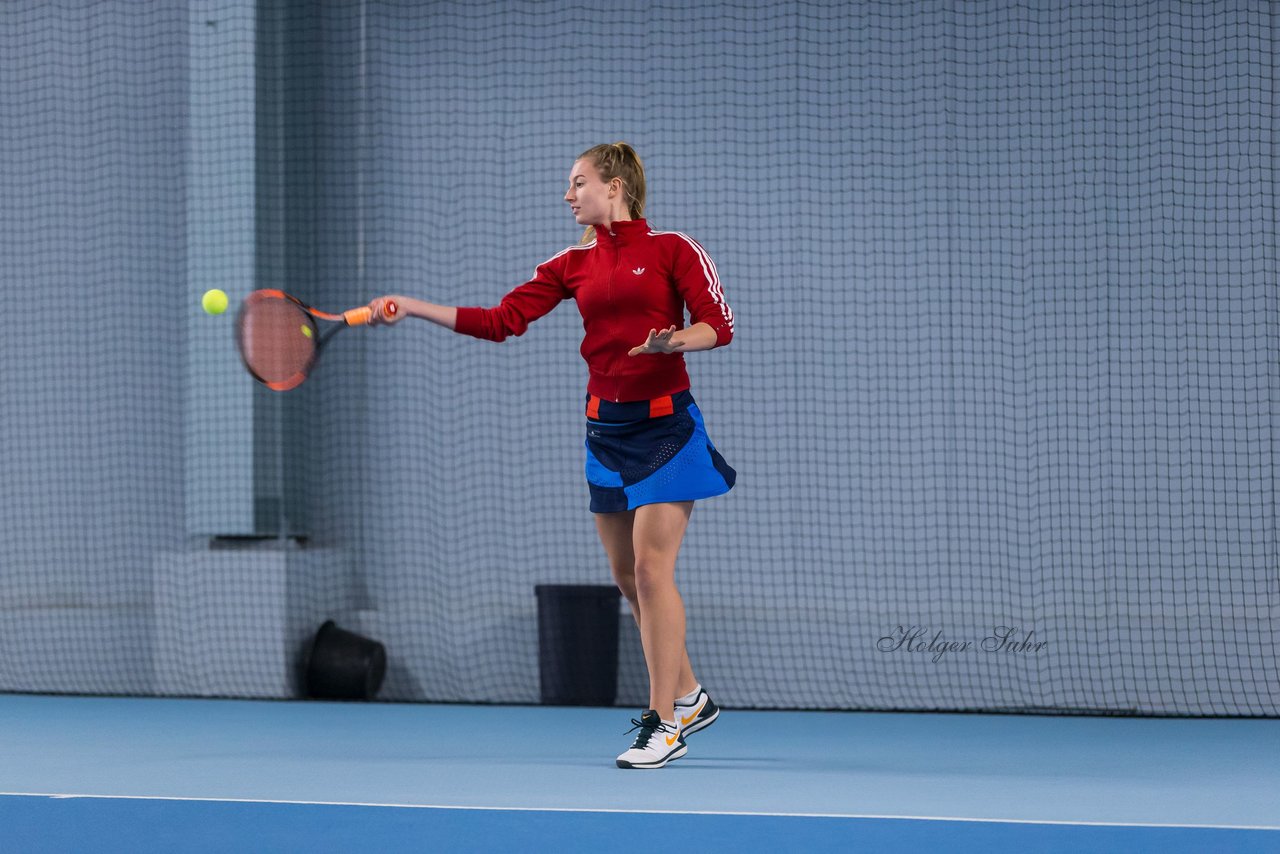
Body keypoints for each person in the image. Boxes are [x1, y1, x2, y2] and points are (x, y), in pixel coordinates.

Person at [366, 142, 735, 769]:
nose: (569, 195)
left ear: (614, 186)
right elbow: (499, 320)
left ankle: (664, 724)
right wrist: (415, 306)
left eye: (578, 183)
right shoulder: (570, 264)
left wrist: (671, 341)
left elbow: (717, 325)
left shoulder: (673, 249)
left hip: (668, 430)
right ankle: (691, 696)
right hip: (603, 433)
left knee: (651, 571)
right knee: (627, 578)